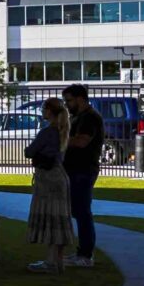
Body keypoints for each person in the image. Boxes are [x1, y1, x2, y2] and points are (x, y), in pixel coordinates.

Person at [24, 99, 74, 274]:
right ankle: (57, 260)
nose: (42, 112)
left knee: (49, 218)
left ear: (49, 111)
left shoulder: (47, 132)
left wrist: (33, 150)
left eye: (44, 109)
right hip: (60, 176)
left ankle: (51, 262)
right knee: (59, 219)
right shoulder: (63, 131)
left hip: (47, 177)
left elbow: (29, 151)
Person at [60, 84, 105, 267]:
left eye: (69, 100)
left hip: (83, 169)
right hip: (75, 169)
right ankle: (82, 252)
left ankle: (86, 254)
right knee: (78, 211)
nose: (66, 104)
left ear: (80, 99)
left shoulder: (90, 118)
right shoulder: (79, 117)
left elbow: (81, 142)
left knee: (82, 211)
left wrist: (59, 140)